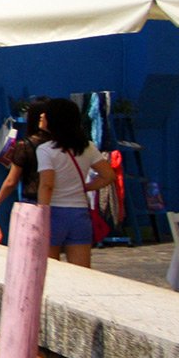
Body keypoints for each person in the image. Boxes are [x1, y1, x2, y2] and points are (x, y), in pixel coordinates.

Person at [36, 96, 116, 267]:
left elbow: (47, 184)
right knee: (81, 270)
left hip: (54, 212)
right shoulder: (87, 146)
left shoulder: (45, 150)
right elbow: (108, 175)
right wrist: (86, 187)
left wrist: (41, 213)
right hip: (79, 212)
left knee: (50, 270)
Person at [0, 100, 50, 219]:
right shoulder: (59, 145)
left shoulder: (25, 145)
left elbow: (11, 181)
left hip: (31, 202)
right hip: (57, 201)